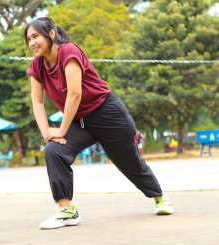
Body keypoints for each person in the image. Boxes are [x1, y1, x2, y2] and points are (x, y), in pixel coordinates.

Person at [24, 17, 173, 230]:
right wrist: (48, 132)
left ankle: (159, 198)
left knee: (128, 161)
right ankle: (66, 210)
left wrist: (62, 129)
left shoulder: (69, 51)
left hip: (107, 113)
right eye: (28, 39)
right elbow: (37, 102)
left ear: (51, 34)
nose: (32, 43)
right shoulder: (37, 65)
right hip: (79, 120)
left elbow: (75, 94)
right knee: (54, 150)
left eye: (36, 36)